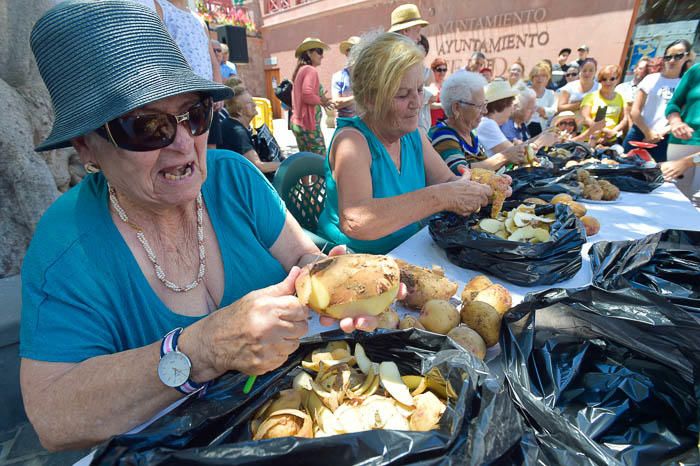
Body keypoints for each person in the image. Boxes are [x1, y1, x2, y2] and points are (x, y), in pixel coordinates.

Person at [21, 1, 376, 451]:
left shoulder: (234, 177)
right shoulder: (65, 246)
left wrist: (331, 279)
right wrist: (200, 350)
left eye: (196, 114)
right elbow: (53, 417)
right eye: (147, 127)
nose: (184, 143)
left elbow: (302, 256)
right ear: (87, 147)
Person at [317, 33, 499, 255]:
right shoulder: (352, 141)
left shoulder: (412, 135)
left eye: (420, 90)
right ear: (370, 99)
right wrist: (441, 197)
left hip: (412, 250)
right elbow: (357, 220)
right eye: (403, 95)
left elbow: (447, 180)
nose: (417, 102)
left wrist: (486, 186)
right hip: (360, 263)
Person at [428, 70, 527, 174]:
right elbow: (461, 172)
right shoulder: (443, 134)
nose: (485, 111)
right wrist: (504, 157)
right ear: (457, 108)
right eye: (479, 106)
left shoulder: (470, 135)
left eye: (485, 105)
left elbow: (484, 171)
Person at [624, 40, 693, 162]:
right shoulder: (651, 79)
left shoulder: (687, 85)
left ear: (687, 57)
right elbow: (635, 111)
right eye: (668, 57)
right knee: (620, 171)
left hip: (665, 138)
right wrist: (648, 132)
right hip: (639, 133)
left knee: (655, 177)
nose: (672, 61)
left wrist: (661, 133)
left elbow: (683, 115)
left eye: (678, 56)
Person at [220, 81, 281, 179]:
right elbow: (258, 166)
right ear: (239, 111)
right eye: (249, 103)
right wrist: (286, 164)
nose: (254, 105)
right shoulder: (237, 132)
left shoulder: (231, 124)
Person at [664, 61, 700, 207]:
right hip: (682, 143)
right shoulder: (696, 70)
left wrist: (686, 162)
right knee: (669, 203)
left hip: (687, 159)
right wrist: (675, 122)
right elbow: (674, 103)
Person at [291, 37, 334, 156]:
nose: (322, 56)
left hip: (298, 124)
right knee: (320, 160)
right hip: (309, 125)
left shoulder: (300, 70)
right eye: (319, 51)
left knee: (306, 160)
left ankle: (306, 176)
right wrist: (321, 101)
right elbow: (307, 95)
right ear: (309, 53)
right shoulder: (310, 70)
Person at [580, 64, 628, 145]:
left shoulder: (621, 98)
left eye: (612, 79)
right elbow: (585, 119)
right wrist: (604, 130)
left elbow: (624, 119)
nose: (608, 82)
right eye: (604, 79)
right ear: (600, 80)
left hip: (611, 141)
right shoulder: (590, 96)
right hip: (590, 140)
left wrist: (614, 131)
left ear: (617, 79)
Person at [331, 36, 360, 122]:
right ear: (346, 53)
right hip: (346, 123)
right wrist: (358, 97)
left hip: (367, 125)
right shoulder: (338, 76)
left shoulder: (369, 75)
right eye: (351, 49)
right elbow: (336, 103)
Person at [528, 61, 558, 135]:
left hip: (543, 130)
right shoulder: (525, 92)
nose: (540, 78)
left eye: (543, 75)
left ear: (548, 78)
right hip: (526, 128)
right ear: (532, 78)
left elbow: (553, 111)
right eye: (536, 75)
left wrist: (536, 108)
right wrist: (543, 113)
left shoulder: (551, 93)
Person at [429, 57, 448, 125]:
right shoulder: (430, 84)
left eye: (444, 70)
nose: (442, 72)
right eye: (439, 70)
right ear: (433, 70)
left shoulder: (447, 84)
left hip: (444, 121)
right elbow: (427, 105)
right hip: (432, 121)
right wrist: (440, 105)